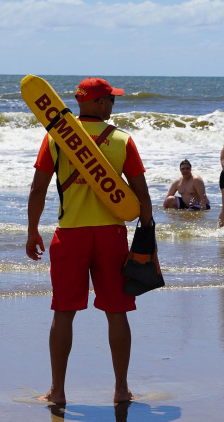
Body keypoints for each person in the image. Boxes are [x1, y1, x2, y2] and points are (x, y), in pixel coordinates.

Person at [26, 77, 153, 405]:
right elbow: (141, 194)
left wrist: (32, 229)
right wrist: (146, 235)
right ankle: (121, 389)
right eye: (111, 99)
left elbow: (38, 189)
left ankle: (57, 391)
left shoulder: (56, 138)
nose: (113, 104)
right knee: (117, 312)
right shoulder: (122, 140)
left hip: (71, 234)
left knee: (63, 312)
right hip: (112, 235)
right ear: (99, 103)